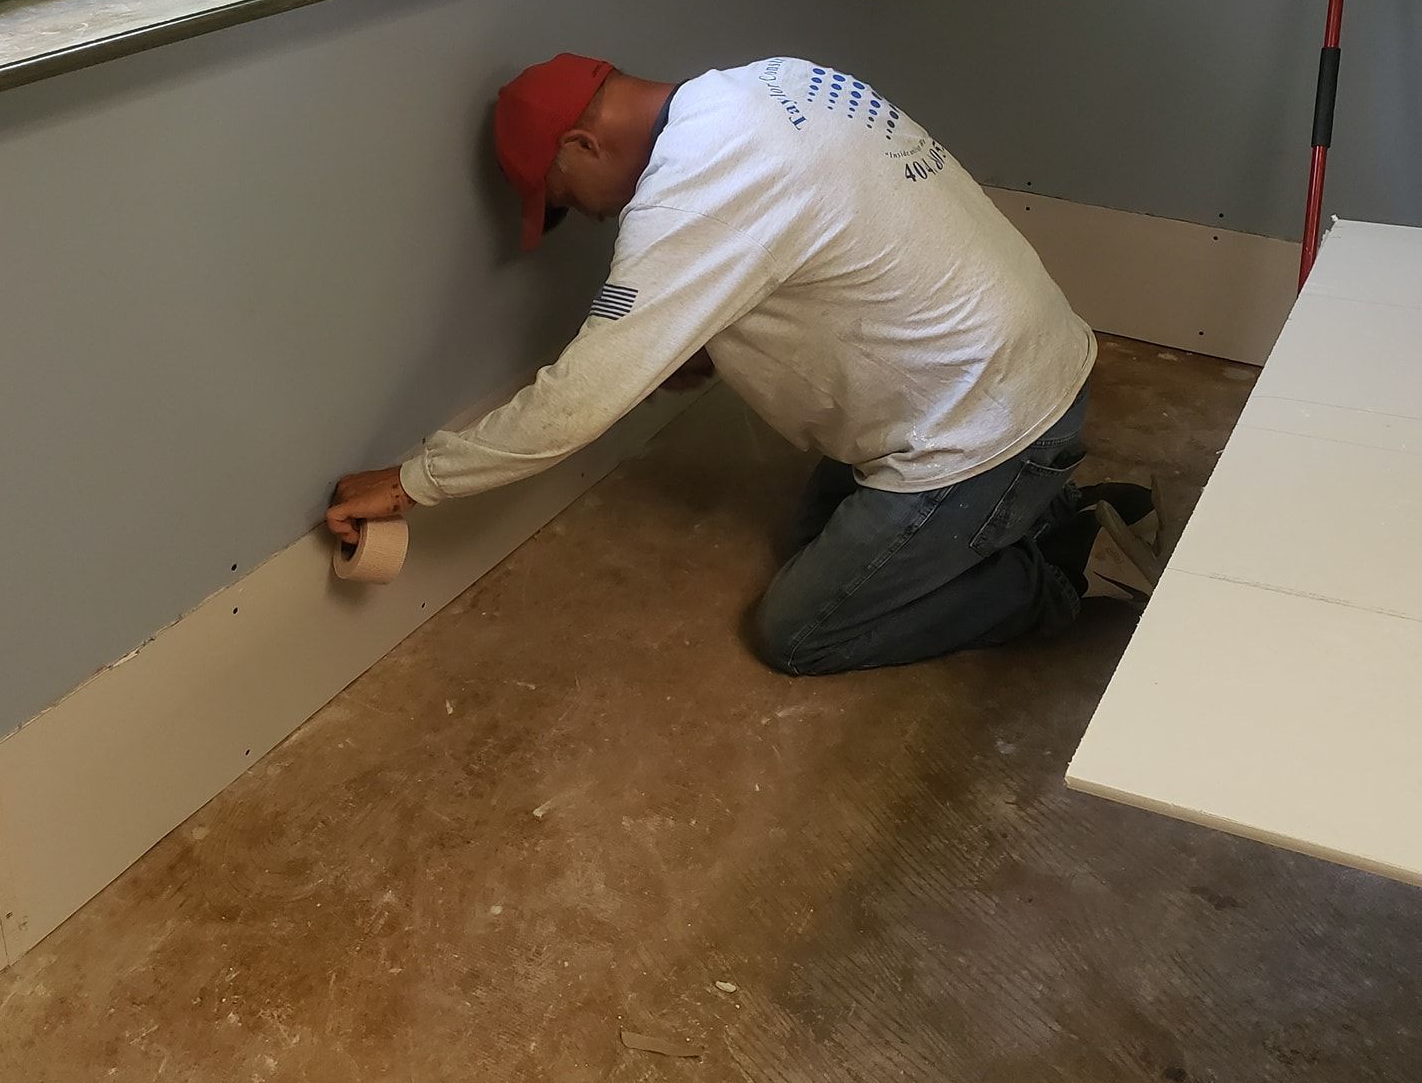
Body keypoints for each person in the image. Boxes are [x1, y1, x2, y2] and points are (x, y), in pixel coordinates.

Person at [327, 54, 1161, 675]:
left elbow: (573, 406)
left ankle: (1064, 572)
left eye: (564, 196)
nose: (581, 217)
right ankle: (1041, 509)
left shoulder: (696, 187)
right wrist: (709, 343)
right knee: (813, 543)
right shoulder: (765, 85)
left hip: (986, 427)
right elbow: (833, 248)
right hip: (1019, 369)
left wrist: (412, 481)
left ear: (582, 142)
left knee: (802, 631)